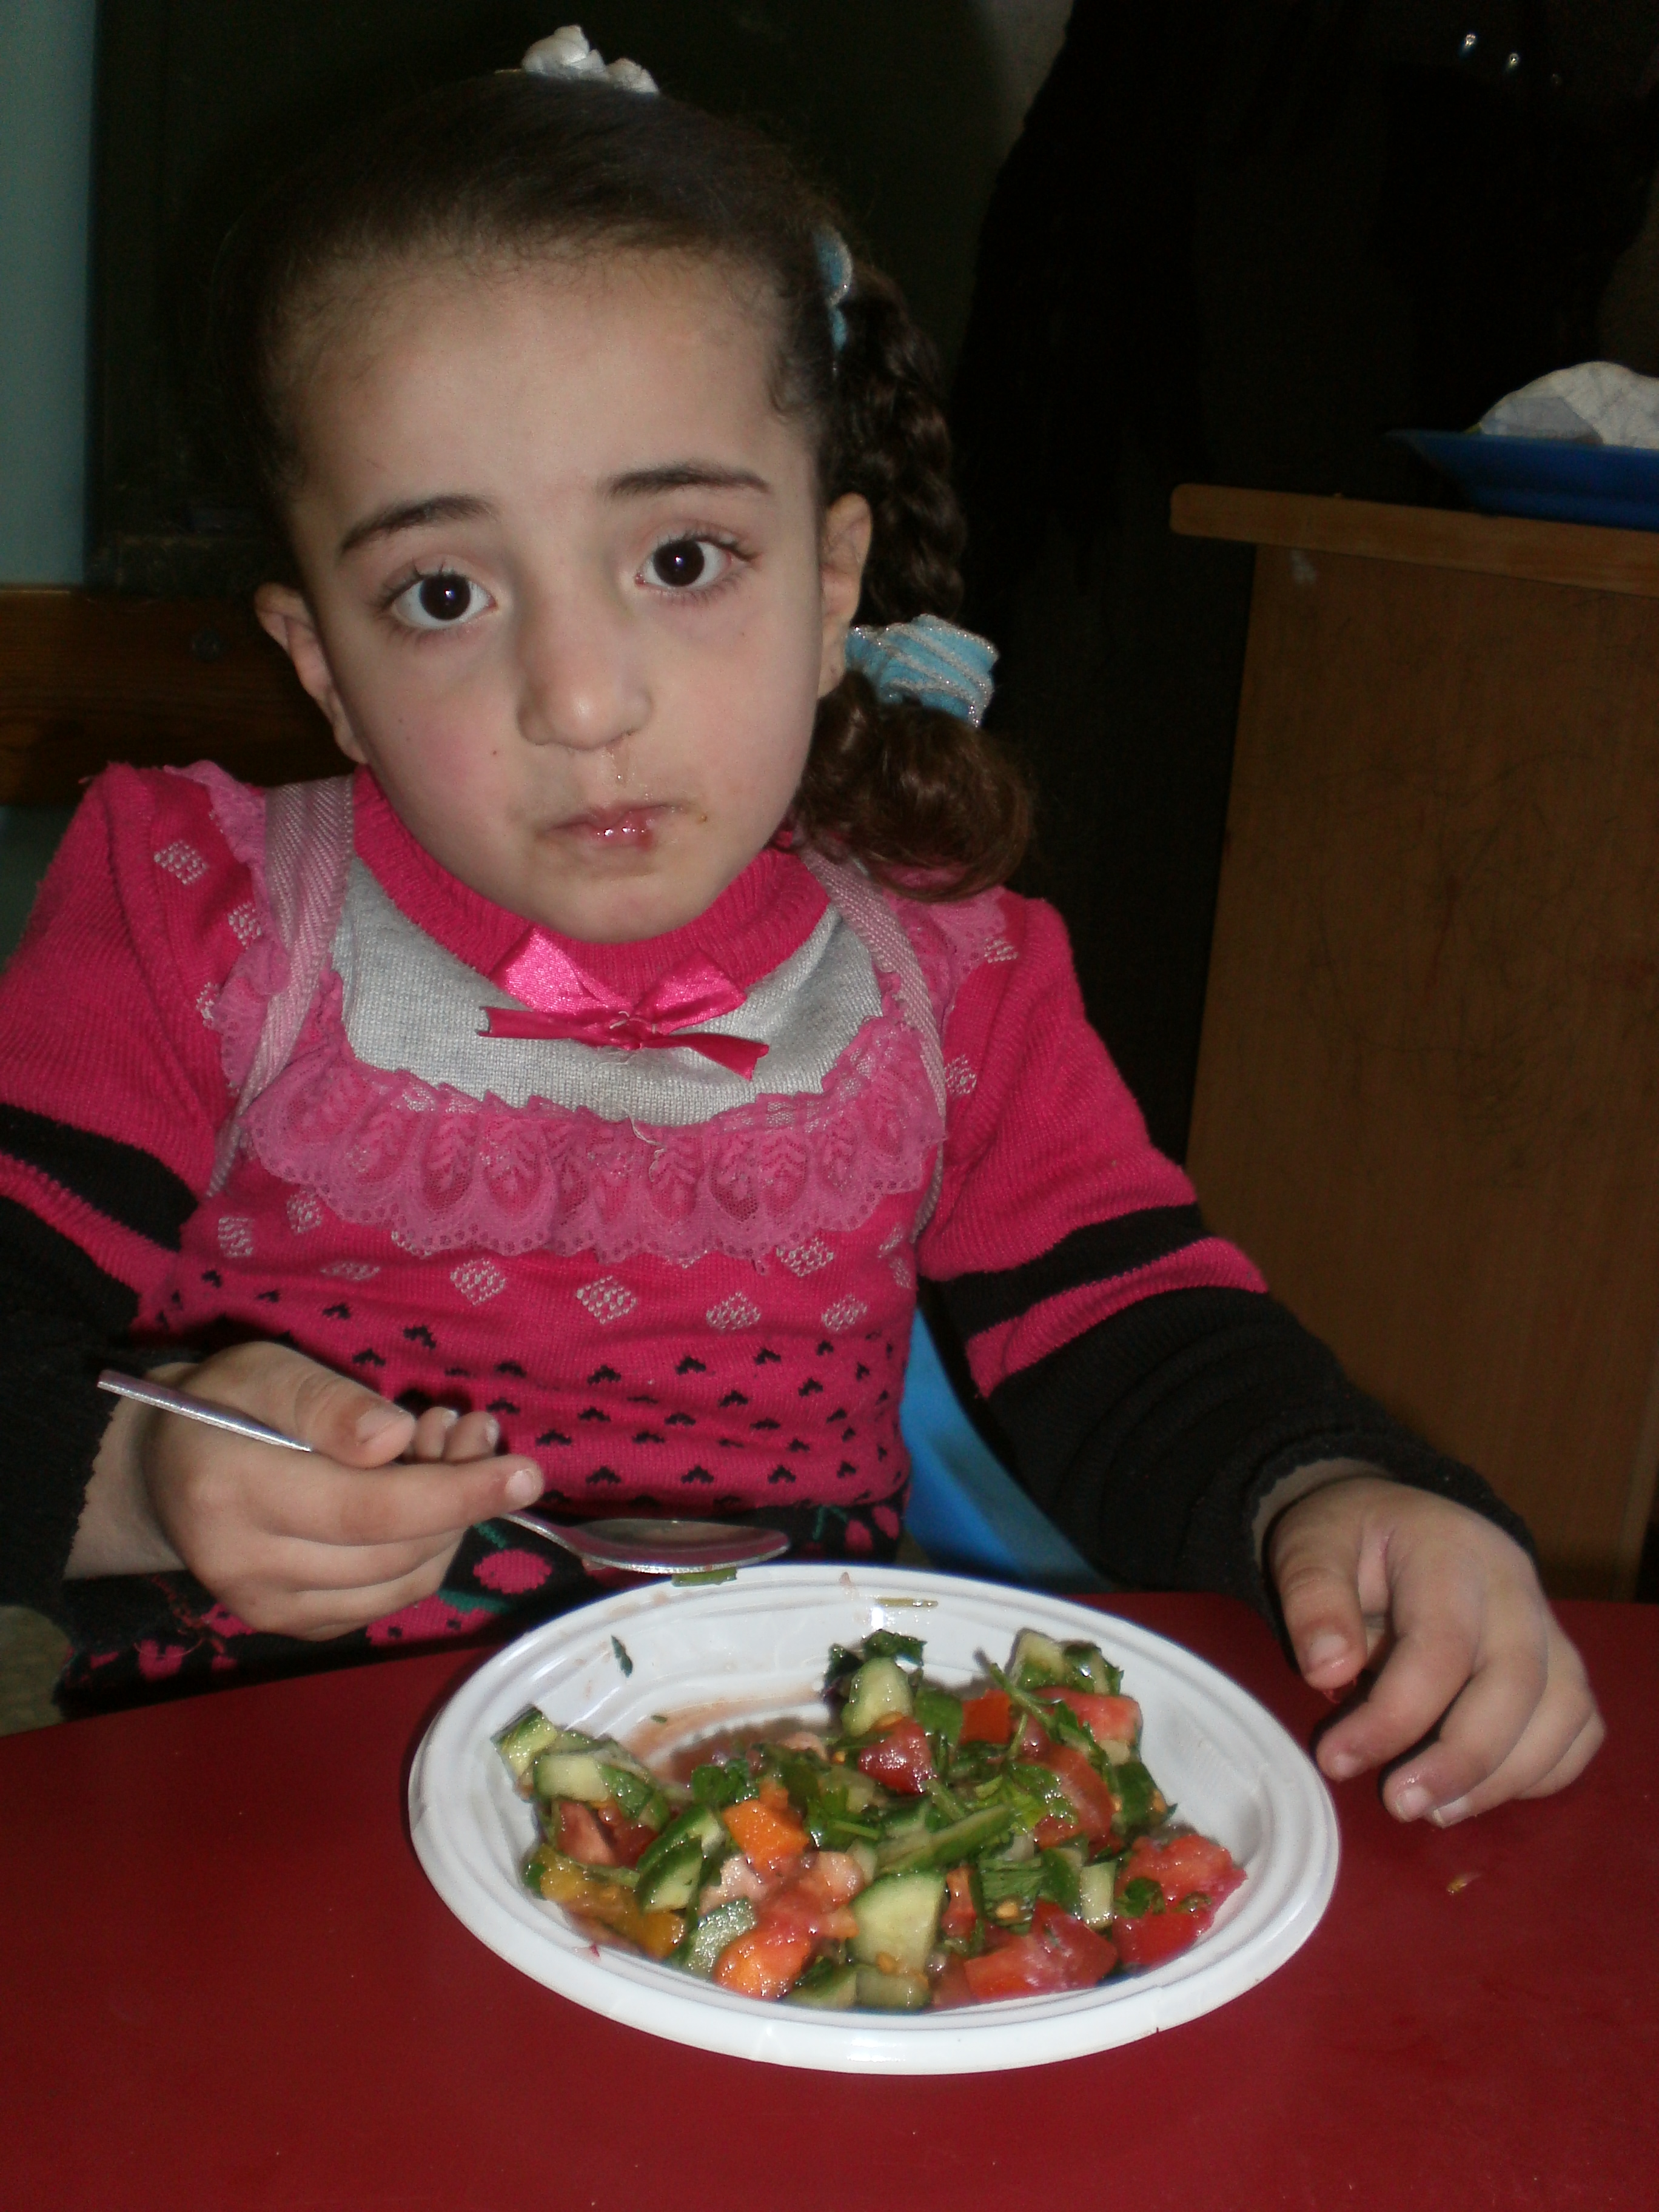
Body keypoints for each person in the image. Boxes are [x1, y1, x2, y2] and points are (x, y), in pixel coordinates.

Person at [0, 30, 1599, 1825]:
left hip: (781, 1833)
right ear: (324, 670)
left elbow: (1130, 1332)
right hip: (262, 1814)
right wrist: (140, 1479)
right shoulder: (199, 919)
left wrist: (1340, 1492)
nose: (583, 699)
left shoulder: (956, 975)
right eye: (443, 594)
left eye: (682, 561)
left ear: (833, 584)